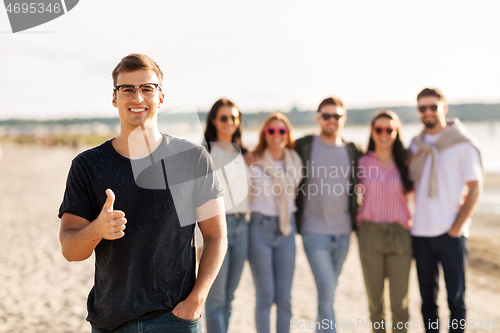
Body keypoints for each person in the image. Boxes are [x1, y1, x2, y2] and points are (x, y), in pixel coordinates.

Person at [58, 54, 227, 333]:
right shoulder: (87, 166)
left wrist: (196, 302)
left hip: (176, 319)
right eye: (127, 89)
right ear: (115, 98)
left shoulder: (194, 158)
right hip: (112, 321)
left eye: (147, 88)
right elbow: (70, 250)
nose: (137, 98)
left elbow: (216, 235)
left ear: (160, 97)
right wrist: (96, 229)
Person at [409, 88, 483, 333]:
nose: (428, 112)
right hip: (420, 233)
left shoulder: (462, 143)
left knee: (456, 301)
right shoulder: (416, 145)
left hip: (451, 234)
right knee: (427, 302)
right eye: (423, 108)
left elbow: (475, 187)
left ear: (444, 108)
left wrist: (456, 228)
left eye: (433, 107)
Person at [294, 97, 362, 332]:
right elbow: (273, 151)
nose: (331, 120)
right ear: (318, 117)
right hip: (314, 232)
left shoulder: (353, 150)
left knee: (330, 291)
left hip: (344, 233)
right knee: (326, 290)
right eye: (326, 115)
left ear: (344, 118)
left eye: (337, 116)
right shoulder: (303, 145)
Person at [356, 110, 413, 333]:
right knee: (375, 304)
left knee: (400, 303)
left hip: (399, 235)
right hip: (370, 235)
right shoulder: (361, 162)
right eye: (378, 129)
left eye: (389, 129)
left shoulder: (407, 161)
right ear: (372, 131)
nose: (384, 134)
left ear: (396, 132)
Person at [248, 112, 303, 333]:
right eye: (271, 131)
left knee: (285, 298)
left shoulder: (295, 160)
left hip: (286, 229)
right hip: (259, 230)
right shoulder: (253, 160)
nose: (277, 135)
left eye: (282, 130)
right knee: (265, 296)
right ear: (265, 134)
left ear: (288, 134)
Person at [202, 98, 250, 333]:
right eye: (224, 118)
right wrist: (201, 244)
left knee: (230, 297)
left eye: (234, 117)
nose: (230, 122)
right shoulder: (205, 154)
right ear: (213, 120)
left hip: (244, 227)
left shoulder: (245, 153)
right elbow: (194, 202)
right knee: (216, 299)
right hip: (217, 228)